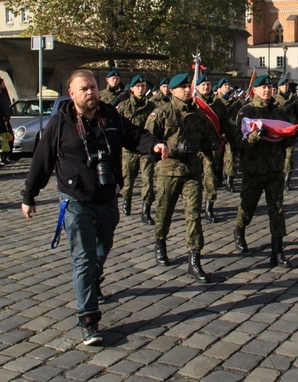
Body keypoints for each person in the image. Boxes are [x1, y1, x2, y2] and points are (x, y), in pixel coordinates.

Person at [21, 69, 168, 346]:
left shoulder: (109, 115)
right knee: (84, 259)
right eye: (84, 88)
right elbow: (41, 161)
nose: (91, 92)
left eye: (93, 87)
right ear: (72, 94)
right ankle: (89, 320)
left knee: (103, 248)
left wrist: (155, 145)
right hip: (75, 201)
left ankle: (93, 277)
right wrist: (29, 195)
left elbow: (135, 135)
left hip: (107, 197)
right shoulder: (59, 124)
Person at [144, 72, 215, 282]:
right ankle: (160, 242)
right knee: (165, 211)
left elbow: (208, 139)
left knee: (194, 215)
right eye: (182, 87)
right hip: (169, 171)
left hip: (192, 171)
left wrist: (212, 155)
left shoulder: (199, 114)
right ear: (172, 90)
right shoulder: (163, 112)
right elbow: (148, 140)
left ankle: (194, 259)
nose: (187, 90)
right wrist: (173, 148)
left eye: (188, 86)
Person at [234, 74, 298, 268]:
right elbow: (239, 142)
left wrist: (295, 135)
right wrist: (256, 135)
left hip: (274, 168)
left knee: (277, 209)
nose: (267, 90)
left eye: (270, 87)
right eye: (262, 87)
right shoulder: (246, 111)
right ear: (254, 90)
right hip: (253, 169)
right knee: (248, 205)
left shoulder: (280, 111)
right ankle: (240, 229)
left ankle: (277, 250)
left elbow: (285, 137)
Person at [116, 74, 156, 224]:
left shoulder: (151, 106)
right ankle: (127, 200)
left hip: (145, 149)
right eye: (138, 86)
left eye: (143, 86)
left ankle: (146, 210)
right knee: (128, 179)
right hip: (129, 149)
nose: (141, 89)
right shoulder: (124, 106)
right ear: (132, 89)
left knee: (148, 180)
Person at [196, 73, 231, 223]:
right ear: (197, 87)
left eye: (208, 84)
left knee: (210, 178)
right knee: (194, 180)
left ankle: (209, 207)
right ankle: (193, 206)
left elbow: (225, 125)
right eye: (203, 85)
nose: (206, 87)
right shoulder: (193, 103)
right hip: (195, 148)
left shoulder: (218, 104)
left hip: (212, 147)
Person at [274, 76, 298, 191]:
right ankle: (278, 178)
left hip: (290, 131)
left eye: (286, 85)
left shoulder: (293, 99)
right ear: (279, 87)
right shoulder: (274, 99)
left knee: (289, 156)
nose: (285, 87)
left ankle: (286, 180)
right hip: (278, 132)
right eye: (283, 85)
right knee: (278, 156)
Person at [215, 77, 238, 192]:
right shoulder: (215, 102)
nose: (227, 87)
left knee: (230, 158)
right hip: (218, 134)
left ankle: (230, 182)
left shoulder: (234, 102)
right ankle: (218, 179)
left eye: (228, 85)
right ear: (219, 89)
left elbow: (239, 116)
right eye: (225, 85)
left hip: (230, 133)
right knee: (218, 158)